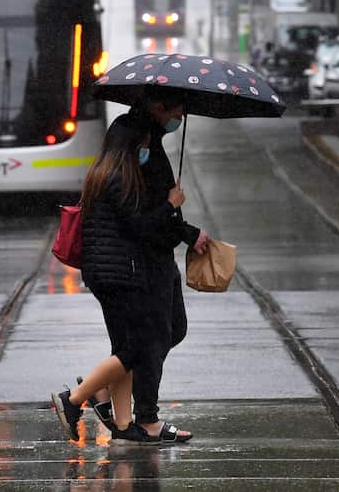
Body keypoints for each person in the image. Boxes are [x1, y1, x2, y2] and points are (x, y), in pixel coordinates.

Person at [52, 115, 195, 444]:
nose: (147, 148)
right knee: (136, 350)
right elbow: (140, 227)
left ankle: (122, 423)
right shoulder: (118, 178)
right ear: (130, 145)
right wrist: (171, 206)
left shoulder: (103, 173)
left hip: (107, 274)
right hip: (120, 275)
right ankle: (74, 399)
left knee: (127, 348)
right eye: (143, 144)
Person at [123, 86, 209, 439]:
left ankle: (102, 390)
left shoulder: (152, 139)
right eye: (176, 111)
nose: (181, 117)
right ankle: (146, 417)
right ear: (158, 107)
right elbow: (141, 215)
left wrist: (187, 232)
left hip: (161, 252)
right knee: (156, 337)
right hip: (145, 258)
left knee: (174, 329)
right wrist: (172, 204)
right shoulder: (135, 141)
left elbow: (158, 207)